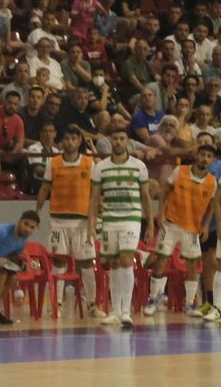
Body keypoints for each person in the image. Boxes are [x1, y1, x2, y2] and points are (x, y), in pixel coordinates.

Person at [144, 144, 217, 317]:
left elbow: (212, 206)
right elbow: (164, 191)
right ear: (196, 155)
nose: (205, 159)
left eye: (208, 156)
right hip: (171, 223)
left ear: (212, 160)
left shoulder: (212, 182)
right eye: (202, 155)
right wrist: (161, 213)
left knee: (192, 266)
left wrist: (206, 225)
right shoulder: (180, 171)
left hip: (192, 229)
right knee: (161, 260)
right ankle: (152, 300)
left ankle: (190, 305)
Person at [91, 128, 153, 329]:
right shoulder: (100, 167)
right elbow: (94, 198)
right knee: (114, 263)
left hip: (131, 218)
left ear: (127, 141)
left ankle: (126, 311)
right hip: (109, 219)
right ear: (110, 141)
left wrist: (151, 223)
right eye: (115, 138)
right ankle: (115, 311)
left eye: (122, 138)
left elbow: (146, 197)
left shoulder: (139, 166)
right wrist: (92, 222)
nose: (118, 142)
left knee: (126, 260)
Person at [34, 126, 100, 313]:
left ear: (79, 141)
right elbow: (44, 189)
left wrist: (94, 219)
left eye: (74, 138)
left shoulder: (89, 163)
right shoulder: (53, 163)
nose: (70, 142)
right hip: (58, 220)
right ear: (62, 141)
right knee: (58, 261)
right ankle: (56, 304)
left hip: (83, 221)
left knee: (86, 262)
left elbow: (95, 193)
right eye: (67, 138)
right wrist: (38, 211)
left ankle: (92, 304)